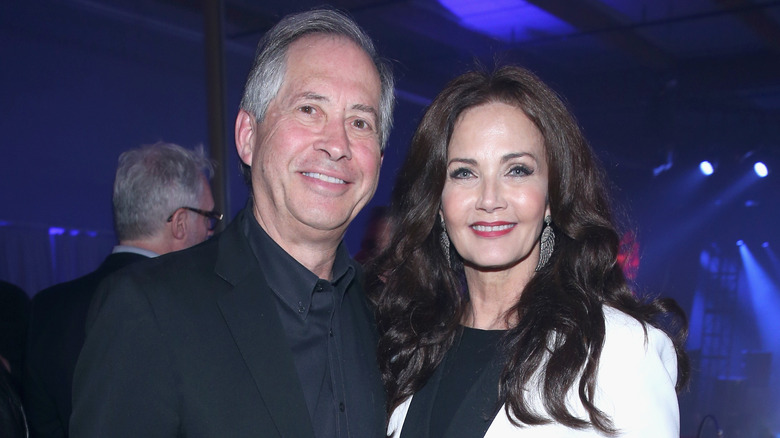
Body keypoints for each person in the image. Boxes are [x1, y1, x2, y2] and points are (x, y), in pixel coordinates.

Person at [70, 8, 394, 438]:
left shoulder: (390, 318)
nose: (337, 144)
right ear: (247, 136)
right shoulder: (150, 311)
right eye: (309, 109)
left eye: (360, 122)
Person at [370, 66, 689, 438]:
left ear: (552, 196)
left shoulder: (619, 352)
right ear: (438, 203)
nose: (490, 199)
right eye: (464, 173)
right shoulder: (409, 345)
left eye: (517, 170)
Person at [25, 142, 217, 438]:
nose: (210, 231)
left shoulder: (47, 307)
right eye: (208, 218)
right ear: (179, 224)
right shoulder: (194, 308)